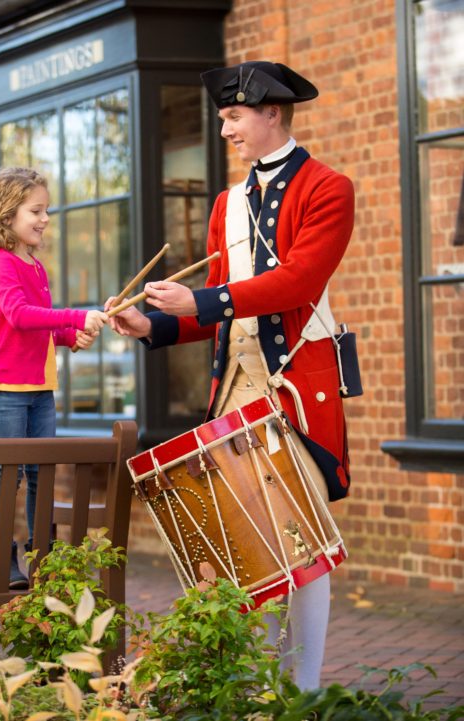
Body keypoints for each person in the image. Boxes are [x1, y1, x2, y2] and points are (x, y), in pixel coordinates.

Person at [107, 61, 355, 689]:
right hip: (233, 393)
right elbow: (219, 309)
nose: (225, 132)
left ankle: (304, 690)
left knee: (302, 542)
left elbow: (297, 281)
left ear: (272, 113)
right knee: (249, 545)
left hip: (293, 389)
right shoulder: (227, 203)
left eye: (233, 117)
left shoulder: (328, 188)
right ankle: (258, 686)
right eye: (222, 120)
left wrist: (204, 302)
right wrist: (157, 327)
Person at [0, 166, 108, 590]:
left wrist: (70, 335)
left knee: (41, 473)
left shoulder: (36, 266)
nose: (45, 219)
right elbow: (19, 315)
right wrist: (77, 313)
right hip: (6, 389)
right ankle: (0, 563)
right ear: (7, 214)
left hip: (41, 388)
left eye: (47, 210)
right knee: (8, 475)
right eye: (36, 210)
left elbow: (39, 328)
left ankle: (43, 561)